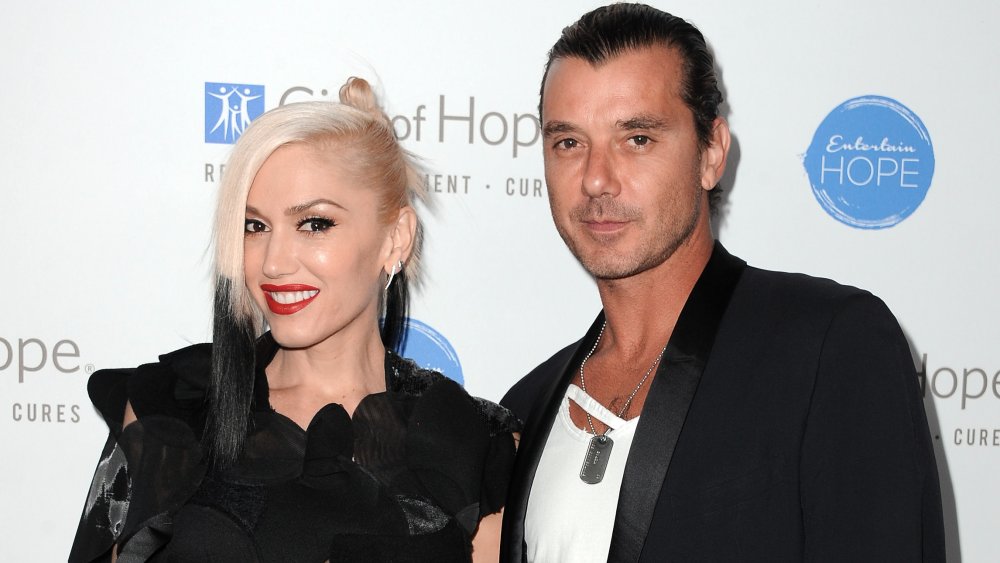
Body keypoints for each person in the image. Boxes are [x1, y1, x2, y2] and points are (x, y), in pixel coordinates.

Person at [499, 4, 945, 562]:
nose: (595, 179)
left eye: (637, 138)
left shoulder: (829, 349)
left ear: (711, 153)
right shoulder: (526, 406)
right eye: (568, 142)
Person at [70, 77, 518, 563]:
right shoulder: (172, 410)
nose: (274, 262)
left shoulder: (472, 443)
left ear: (396, 238)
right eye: (255, 226)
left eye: (314, 224)